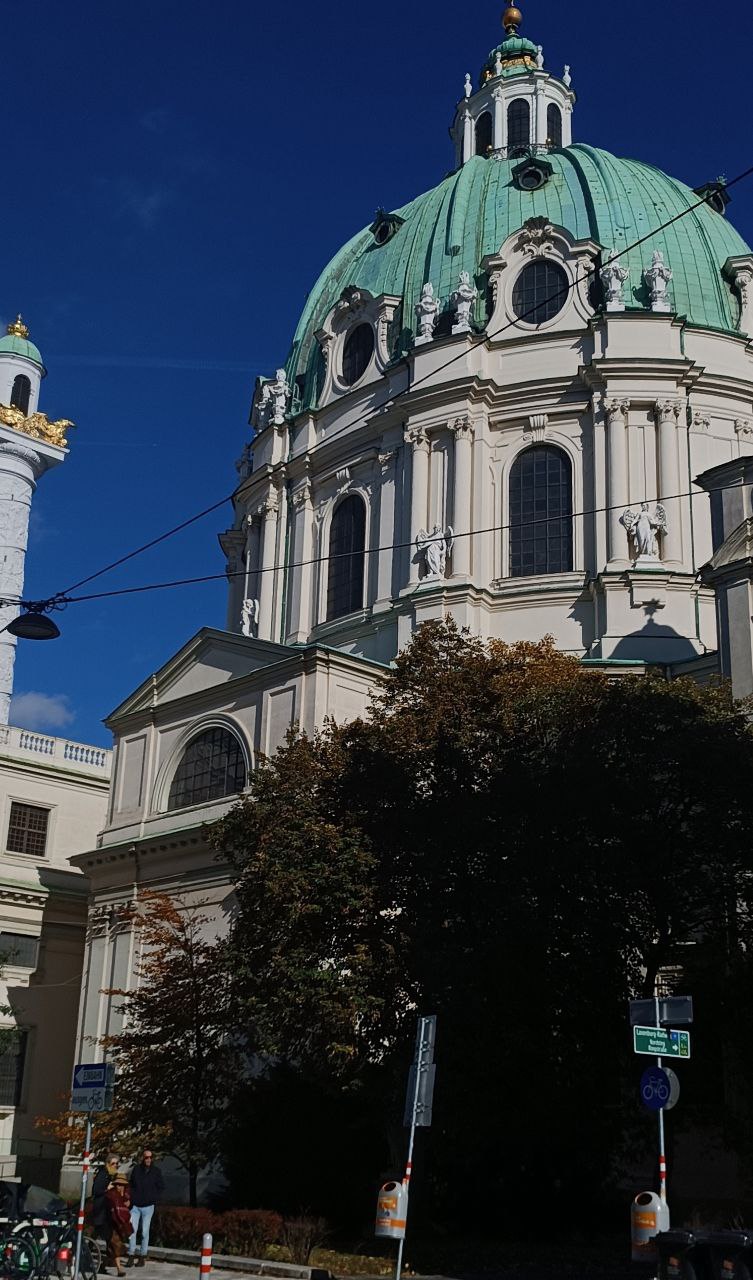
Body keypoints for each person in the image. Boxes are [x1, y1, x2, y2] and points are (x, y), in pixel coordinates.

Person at [127, 1149, 164, 1267]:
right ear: (142, 1158)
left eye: (150, 1157)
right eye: (146, 1157)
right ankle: (131, 1255)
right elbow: (131, 1185)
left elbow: (161, 1187)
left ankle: (142, 1256)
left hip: (148, 1206)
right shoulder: (136, 1170)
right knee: (132, 1230)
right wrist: (131, 1197)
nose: (148, 1159)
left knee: (144, 1231)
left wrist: (153, 1198)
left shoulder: (156, 1172)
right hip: (135, 1206)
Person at [91, 1154, 119, 1274]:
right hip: (100, 1212)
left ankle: (105, 1263)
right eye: (113, 1164)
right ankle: (112, 1266)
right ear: (107, 1164)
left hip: (106, 1212)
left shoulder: (110, 1175)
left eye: (117, 1164)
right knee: (108, 1238)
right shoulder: (102, 1175)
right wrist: (107, 1189)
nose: (116, 1166)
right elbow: (96, 1191)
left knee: (103, 1238)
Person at [105, 1174, 132, 1279]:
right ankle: (119, 1269)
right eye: (117, 1184)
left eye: (121, 1185)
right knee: (115, 1244)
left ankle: (103, 1265)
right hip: (111, 1223)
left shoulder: (126, 1196)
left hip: (120, 1225)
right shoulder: (111, 1195)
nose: (119, 1186)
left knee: (111, 1246)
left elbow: (125, 1211)